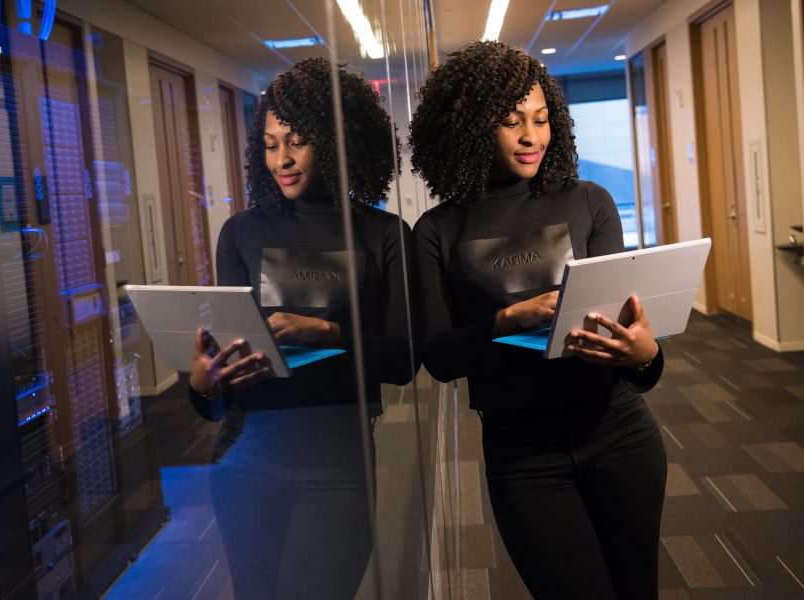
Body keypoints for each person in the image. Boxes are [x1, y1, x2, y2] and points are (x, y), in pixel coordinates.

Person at [410, 41, 666, 599]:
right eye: (511, 122)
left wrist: (646, 355)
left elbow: (630, 345)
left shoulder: (590, 202)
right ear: (474, 127)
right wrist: (504, 320)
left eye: (542, 119)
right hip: (523, 457)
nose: (532, 137)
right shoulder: (437, 229)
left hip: (620, 433)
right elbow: (437, 356)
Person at [188, 56, 414, 599]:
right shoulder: (240, 233)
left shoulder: (384, 234)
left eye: (297, 142)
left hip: (338, 463)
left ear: (337, 143)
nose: (281, 160)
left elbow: (405, 360)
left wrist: (326, 333)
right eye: (269, 144)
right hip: (245, 458)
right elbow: (219, 388)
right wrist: (203, 380)